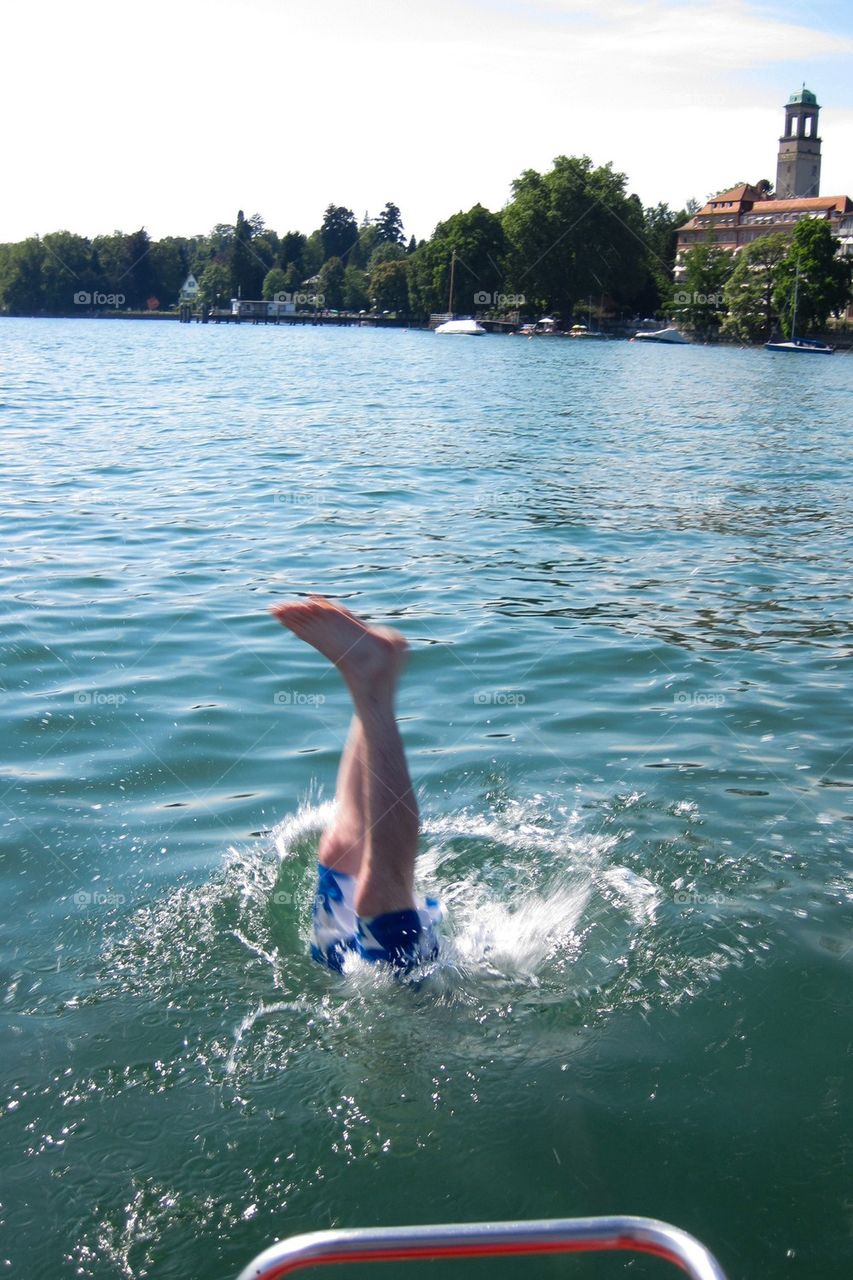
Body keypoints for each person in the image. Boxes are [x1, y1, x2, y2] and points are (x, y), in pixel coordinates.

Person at [269, 594, 440, 973]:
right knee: (381, 901)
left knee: (340, 848)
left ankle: (372, 674)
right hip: (413, 994)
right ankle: (372, 675)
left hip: (345, 973)